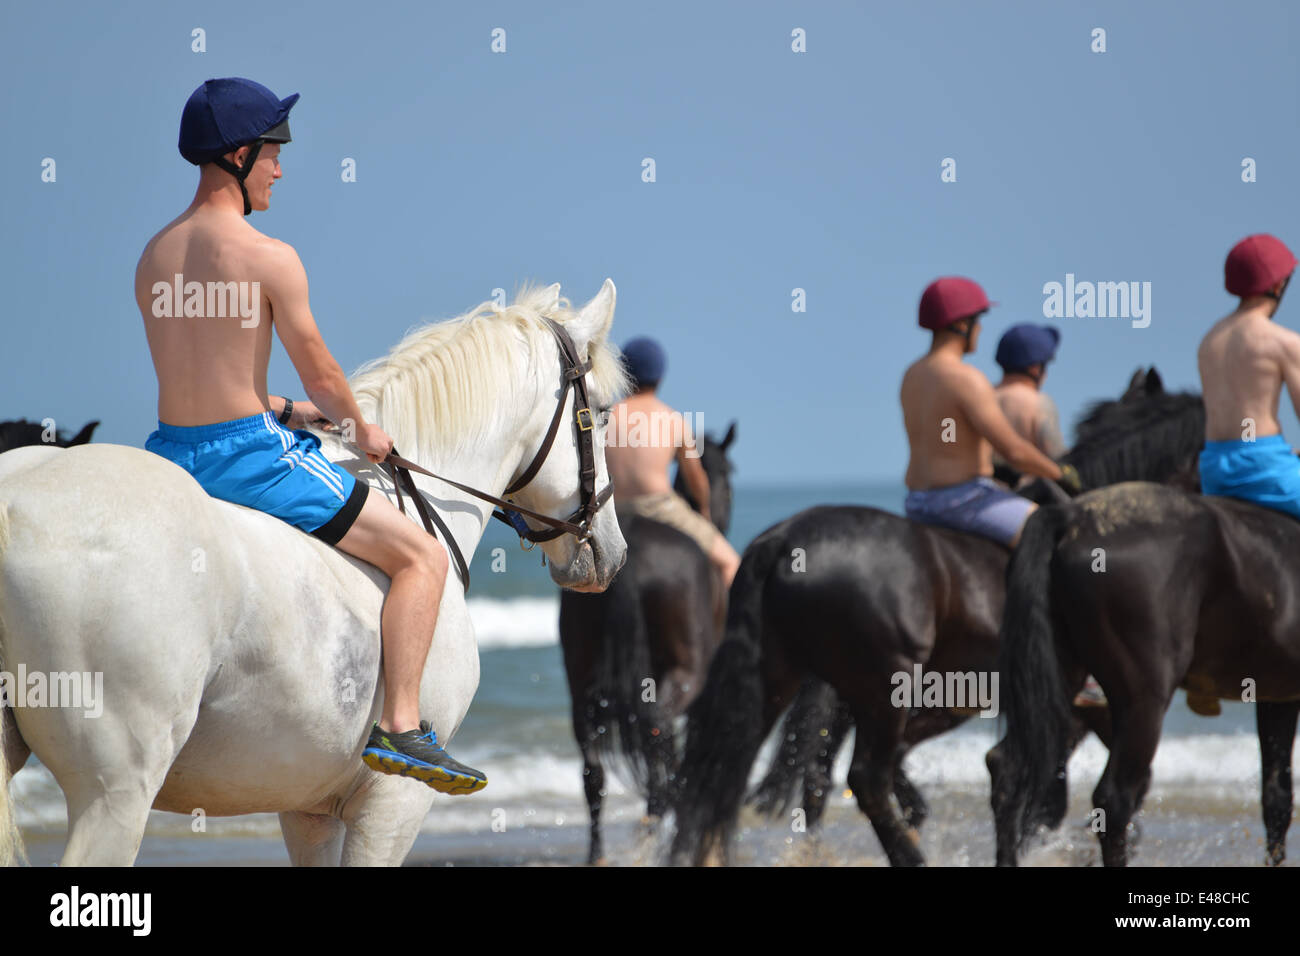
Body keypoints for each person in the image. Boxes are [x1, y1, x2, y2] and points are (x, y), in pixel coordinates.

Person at [136, 78, 485, 793]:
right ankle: (403, 728)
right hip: (251, 460)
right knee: (422, 557)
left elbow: (204, 374)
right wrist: (364, 431)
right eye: (274, 151)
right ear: (238, 155)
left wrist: (289, 409)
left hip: (171, 456)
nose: (281, 169)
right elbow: (326, 375)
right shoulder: (269, 257)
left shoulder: (154, 256)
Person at [1194, 233, 1300, 715]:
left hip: (1215, 468)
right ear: (1279, 283)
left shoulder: (1210, 339)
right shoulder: (1282, 341)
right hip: (1265, 466)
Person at [900, 277, 1081, 549]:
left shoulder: (911, 375)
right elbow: (1015, 451)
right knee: (1057, 534)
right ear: (962, 324)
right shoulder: (967, 379)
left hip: (916, 501)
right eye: (978, 319)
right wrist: (1060, 473)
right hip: (963, 501)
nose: (980, 329)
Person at [605, 337, 741, 589]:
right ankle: (732, 629)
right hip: (658, 508)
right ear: (660, 378)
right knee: (731, 563)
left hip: (611, 511)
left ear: (622, 373)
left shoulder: (605, 417)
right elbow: (696, 478)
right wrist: (704, 511)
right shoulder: (674, 420)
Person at [992, 324, 1068, 486]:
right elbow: (1057, 456)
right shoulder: (1039, 403)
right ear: (1035, 368)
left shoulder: (982, 396)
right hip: (1024, 498)